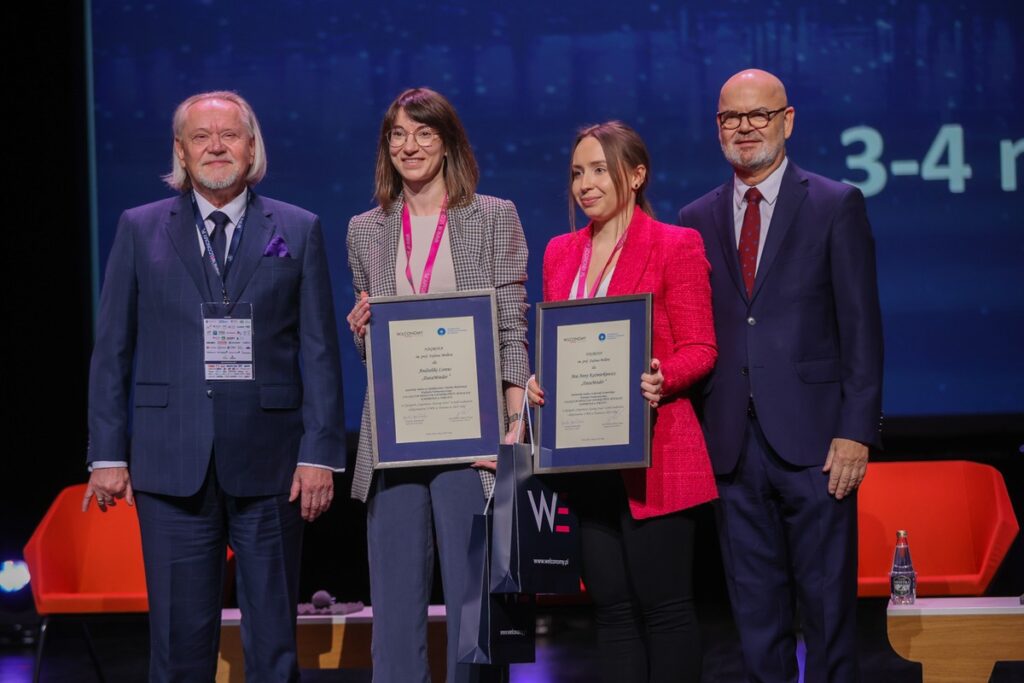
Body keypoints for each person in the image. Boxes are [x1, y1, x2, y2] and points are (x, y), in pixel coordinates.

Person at [83, 91, 344, 682]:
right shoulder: (139, 228)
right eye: (201, 136)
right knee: (178, 649)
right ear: (181, 151)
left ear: (252, 146)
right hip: (171, 464)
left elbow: (320, 351)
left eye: (229, 135)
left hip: (273, 467)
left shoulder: (298, 228)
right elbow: (112, 350)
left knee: (274, 648)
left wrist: (320, 454)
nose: (216, 146)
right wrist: (107, 453)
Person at [678, 69, 884, 683]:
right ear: (717, 127)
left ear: (786, 121)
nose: (745, 128)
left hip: (818, 445)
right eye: (731, 118)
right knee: (755, 620)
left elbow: (862, 329)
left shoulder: (835, 203)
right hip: (730, 446)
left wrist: (857, 431)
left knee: (827, 615)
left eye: (758, 115)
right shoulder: (695, 218)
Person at [345, 87, 529, 683]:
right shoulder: (365, 230)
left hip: (471, 440)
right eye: (398, 134)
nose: (410, 146)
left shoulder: (493, 216)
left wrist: (513, 429)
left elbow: (510, 327)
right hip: (396, 440)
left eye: (424, 133)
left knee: (475, 610)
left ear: (448, 142)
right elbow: (378, 347)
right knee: (395, 613)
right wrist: (362, 330)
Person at [527, 121, 718, 683]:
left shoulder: (676, 244)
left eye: (598, 170)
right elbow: (560, 343)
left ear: (635, 176)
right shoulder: (560, 253)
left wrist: (663, 376)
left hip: (657, 453)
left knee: (666, 609)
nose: (585, 184)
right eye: (577, 173)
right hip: (586, 459)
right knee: (610, 612)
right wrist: (542, 383)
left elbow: (701, 347)